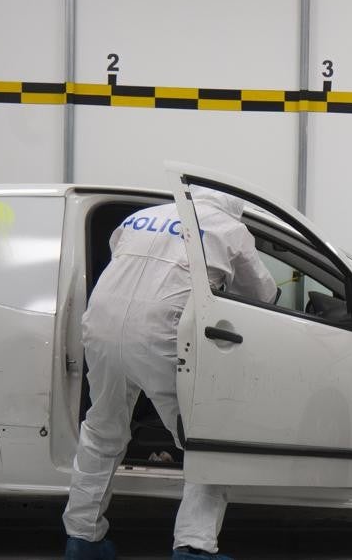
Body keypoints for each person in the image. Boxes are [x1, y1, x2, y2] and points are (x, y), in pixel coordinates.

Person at [63, 188, 277, 560]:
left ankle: (82, 539)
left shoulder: (144, 216)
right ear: (234, 208)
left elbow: (125, 258)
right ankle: (194, 547)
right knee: (206, 439)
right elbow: (263, 294)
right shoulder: (230, 228)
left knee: (102, 428)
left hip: (100, 325)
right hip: (160, 332)